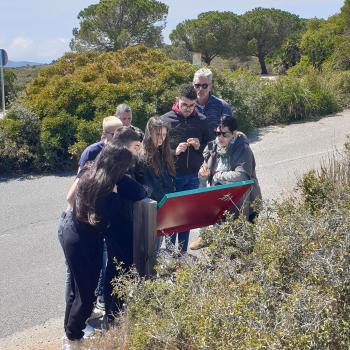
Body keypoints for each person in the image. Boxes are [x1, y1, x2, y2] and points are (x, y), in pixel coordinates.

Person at [60, 140, 146, 350]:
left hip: (68, 228)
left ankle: (70, 334)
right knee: (86, 294)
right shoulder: (111, 190)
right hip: (85, 240)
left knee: (76, 289)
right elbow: (103, 219)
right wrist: (116, 196)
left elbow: (70, 199)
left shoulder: (88, 172)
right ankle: (72, 340)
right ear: (119, 168)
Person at [190, 115, 262, 250]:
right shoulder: (212, 147)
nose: (220, 137)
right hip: (221, 204)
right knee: (222, 247)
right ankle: (205, 236)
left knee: (244, 246)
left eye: (225, 134)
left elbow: (241, 176)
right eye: (218, 133)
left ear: (234, 134)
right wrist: (203, 174)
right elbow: (205, 174)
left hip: (244, 203)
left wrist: (217, 176)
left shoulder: (243, 149)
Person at [161, 85, 209, 254]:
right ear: (177, 101)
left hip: (194, 177)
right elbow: (157, 149)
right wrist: (175, 151)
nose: (188, 109)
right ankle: (168, 252)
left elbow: (210, 146)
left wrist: (199, 146)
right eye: (185, 105)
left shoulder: (202, 120)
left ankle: (181, 253)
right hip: (172, 176)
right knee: (171, 217)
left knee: (186, 217)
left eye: (192, 105)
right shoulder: (165, 120)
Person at [136, 116, 176, 250]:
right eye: (158, 134)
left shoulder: (162, 151)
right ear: (150, 132)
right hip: (152, 209)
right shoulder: (143, 155)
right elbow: (151, 186)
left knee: (158, 249)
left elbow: (168, 181)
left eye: (164, 134)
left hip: (166, 206)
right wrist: (165, 204)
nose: (161, 138)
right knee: (151, 250)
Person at [193, 68, 234, 140]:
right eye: (197, 85)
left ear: (210, 86)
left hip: (216, 149)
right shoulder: (187, 106)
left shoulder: (223, 106)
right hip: (193, 149)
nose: (200, 89)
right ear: (193, 86)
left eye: (204, 86)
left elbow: (229, 133)